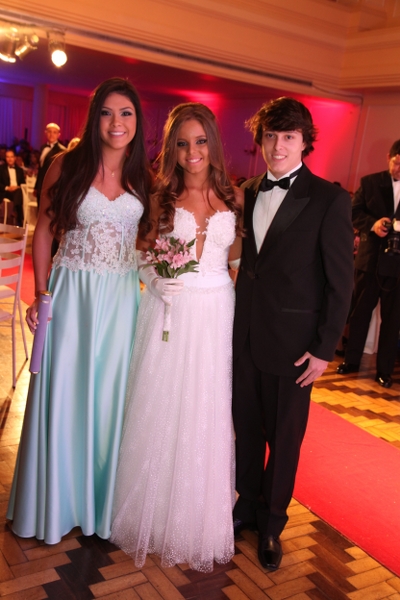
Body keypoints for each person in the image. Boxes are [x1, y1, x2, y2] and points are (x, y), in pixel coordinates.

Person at [7, 77, 152, 544]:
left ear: (137, 121)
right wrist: (41, 292)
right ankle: (54, 504)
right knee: (63, 391)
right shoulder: (67, 165)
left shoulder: (143, 175)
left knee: (110, 398)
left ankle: (98, 503)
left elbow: (147, 240)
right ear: (95, 119)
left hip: (122, 300)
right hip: (72, 294)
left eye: (126, 113)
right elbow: (45, 231)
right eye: (107, 112)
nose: (116, 122)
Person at [111, 102, 244, 572]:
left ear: (214, 144)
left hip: (217, 312)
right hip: (171, 308)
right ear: (173, 149)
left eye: (201, 141)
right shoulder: (161, 196)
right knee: (162, 403)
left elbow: (237, 262)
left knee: (206, 407)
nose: (193, 152)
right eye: (183, 144)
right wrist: (154, 279)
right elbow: (140, 254)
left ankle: (197, 517)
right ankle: (150, 511)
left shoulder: (235, 197)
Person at [232, 97, 354, 571]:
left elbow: (340, 282)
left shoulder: (329, 199)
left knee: (284, 440)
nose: (277, 146)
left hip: (295, 346)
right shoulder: (246, 191)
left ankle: (271, 524)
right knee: (245, 428)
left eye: (288, 136)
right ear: (260, 140)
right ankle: (245, 506)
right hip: (244, 335)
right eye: (270, 136)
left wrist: (324, 349)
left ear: (305, 142)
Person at [337, 140, 400, 388]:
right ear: (389, 157)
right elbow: (353, 212)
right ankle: (351, 360)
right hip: (370, 260)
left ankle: (384, 371)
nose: (399, 169)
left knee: (392, 321)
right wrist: (373, 224)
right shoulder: (371, 182)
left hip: (397, 267)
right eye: (397, 163)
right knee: (360, 314)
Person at [35, 123, 65, 207]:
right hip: (41, 185)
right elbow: (41, 169)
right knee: (39, 208)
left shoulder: (61, 150)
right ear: (45, 133)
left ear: (59, 135)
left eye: (54, 132)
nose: (51, 134)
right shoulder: (43, 147)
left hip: (52, 186)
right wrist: (36, 186)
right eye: (49, 132)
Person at [0, 149, 25, 225]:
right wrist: (7, 188)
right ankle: (18, 217)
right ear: (5, 158)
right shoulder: (1, 169)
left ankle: (14, 210)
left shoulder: (20, 170)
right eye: (8, 157)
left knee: (19, 192)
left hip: (17, 191)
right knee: (19, 195)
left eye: (11, 157)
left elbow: (23, 183)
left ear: (15, 158)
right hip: (6, 192)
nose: (10, 159)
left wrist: (17, 187)